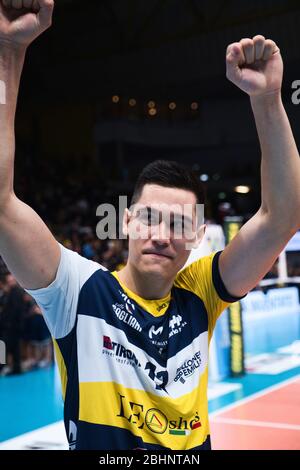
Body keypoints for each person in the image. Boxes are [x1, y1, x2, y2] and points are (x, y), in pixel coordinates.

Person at [0, 0, 299, 451]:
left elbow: (282, 218)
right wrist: (7, 51)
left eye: (179, 224)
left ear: (198, 236)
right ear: (127, 220)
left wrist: (267, 100)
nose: (161, 234)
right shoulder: (77, 291)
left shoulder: (202, 294)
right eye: (150, 218)